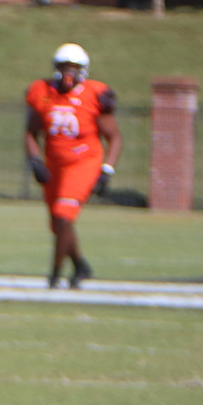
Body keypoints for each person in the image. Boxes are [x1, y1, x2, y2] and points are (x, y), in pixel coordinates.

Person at [24, 43, 121, 288]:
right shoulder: (43, 92)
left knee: (63, 216)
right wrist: (35, 159)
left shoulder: (94, 94)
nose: (68, 74)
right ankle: (80, 266)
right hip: (54, 164)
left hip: (83, 162)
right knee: (58, 223)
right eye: (64, 68)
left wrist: (106, 169)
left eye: (74, 68)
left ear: (84, 71)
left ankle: (55, 275)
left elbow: (115, 138)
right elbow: (31, 132)